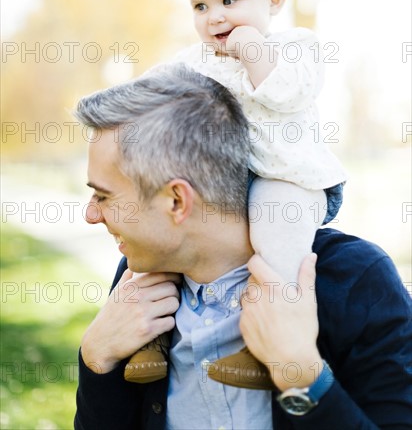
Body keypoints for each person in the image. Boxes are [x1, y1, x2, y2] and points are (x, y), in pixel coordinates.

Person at [74, 64, 412, 430]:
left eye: (103, 196)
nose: (91, 214)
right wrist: (96, 358)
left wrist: (302, 376)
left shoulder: (356, 280)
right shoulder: (136, 285)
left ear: (177, 201)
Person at [127, 0, 348, 384]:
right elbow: (150, 90)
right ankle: (147, 336)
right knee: (160, 232)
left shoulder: (295, 47)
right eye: (201, 6)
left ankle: (265, 344)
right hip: (220, 187)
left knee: (274, 244)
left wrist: (253, 51)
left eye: (229, 0)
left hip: (286, 179)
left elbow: (288, 92)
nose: (215, 17)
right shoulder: (195, 60)